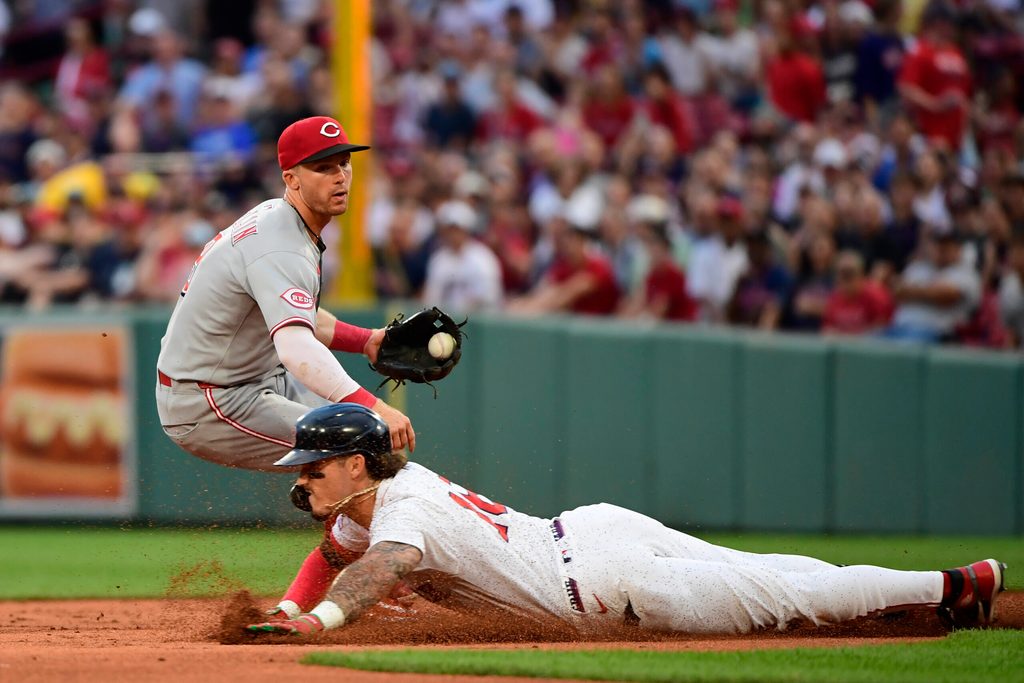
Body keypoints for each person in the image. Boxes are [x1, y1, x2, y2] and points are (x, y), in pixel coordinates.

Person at [246, 404, 1007, 637]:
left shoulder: (403, 507)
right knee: (771, 572)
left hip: (605, 580)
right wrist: (288, 607)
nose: (303, 479)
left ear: (354, 466)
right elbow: (335, 552)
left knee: (785, 598)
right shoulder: (376, 496)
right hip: (592, 534)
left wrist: (317, 625)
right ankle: (950, 587)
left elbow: (379, 567)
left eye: (312, 466)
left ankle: (949, 582)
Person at [155, 116, 415, 474]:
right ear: (291, 179)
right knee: (358, 446)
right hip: (209, 398)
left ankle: (336, 520)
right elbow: (295, 347)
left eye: (344, 163)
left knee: (363, 450)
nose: (340, 176)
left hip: (252, 381)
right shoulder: (280, 244)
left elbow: (297, 315)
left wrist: (367, 340)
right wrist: (374, 406)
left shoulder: (284, 221)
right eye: (323, 168)